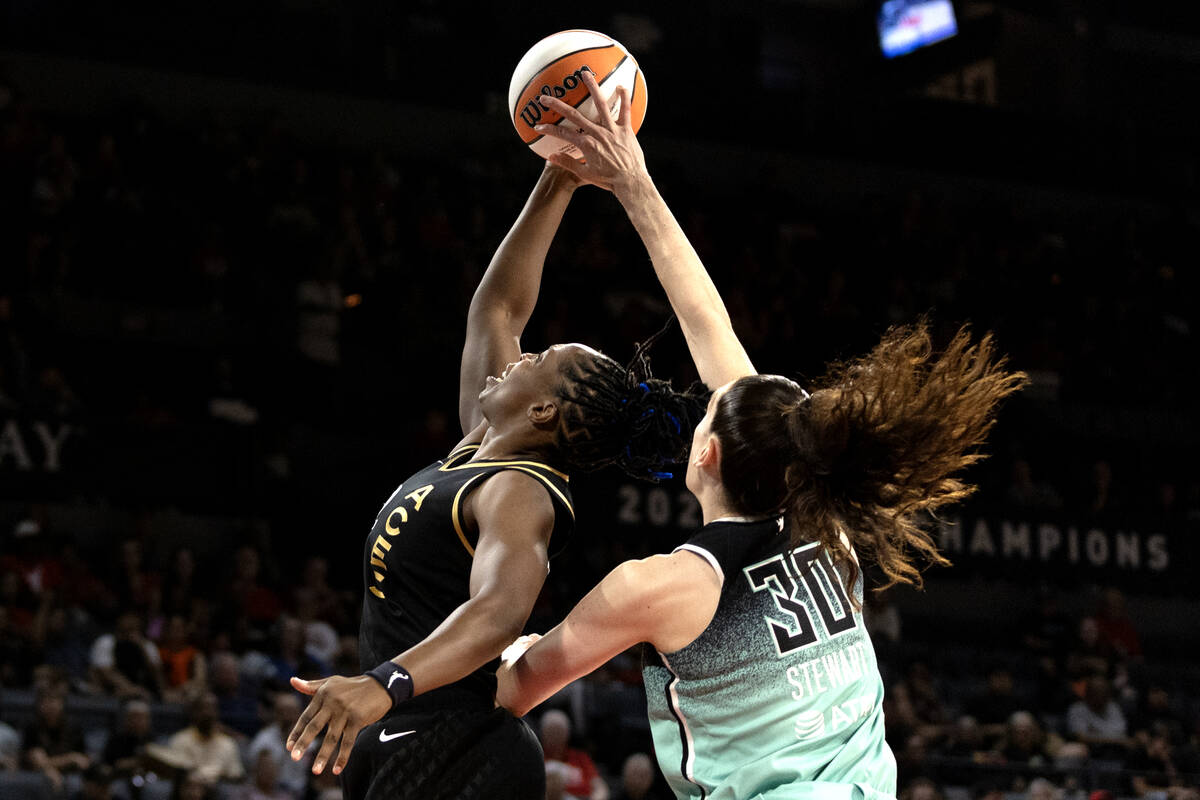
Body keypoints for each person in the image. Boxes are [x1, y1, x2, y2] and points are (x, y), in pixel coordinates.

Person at [496, 70, 1026, 800]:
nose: (707, 400)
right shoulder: (827, 524)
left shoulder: (661, 586)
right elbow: (709, 327)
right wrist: (631, 183)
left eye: (710, 410)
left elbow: (511, 693)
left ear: (706, 453)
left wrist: (501, 648)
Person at [284, 159, 698, 799]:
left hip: (458, 749)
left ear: (542, 411)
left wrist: (382, 683)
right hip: (411, 739)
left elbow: (500, 613)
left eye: (541, 359)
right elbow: (498, 308)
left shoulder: (522, 492)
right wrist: (559, 176)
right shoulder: (476, 454)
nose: (524, 353)